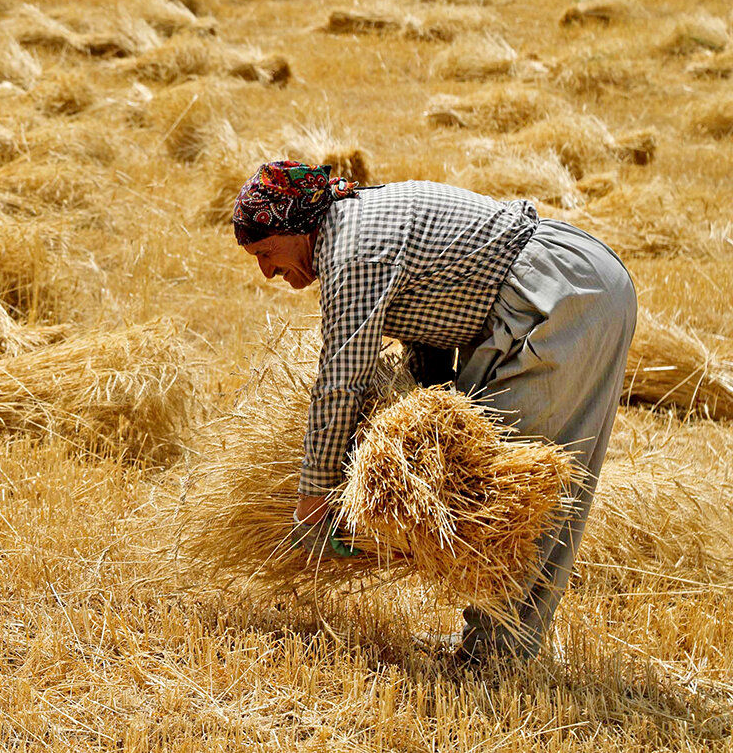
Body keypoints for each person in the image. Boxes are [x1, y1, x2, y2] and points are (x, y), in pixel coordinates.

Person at [231, 160, 637, 666]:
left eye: (267, 252)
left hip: (563, 297)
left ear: (299, 226)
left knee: (511, 490)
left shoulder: (352, 250)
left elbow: (341, 381)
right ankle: (490, 644)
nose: (266, 271)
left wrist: (314, 499)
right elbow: (428, 318)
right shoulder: (351, 226)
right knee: (490, 482)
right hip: (555, 288)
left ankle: (497, 657)